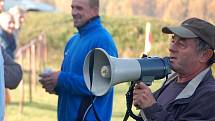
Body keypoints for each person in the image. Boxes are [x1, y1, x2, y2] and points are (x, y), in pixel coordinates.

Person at [39, 0, 118, 121]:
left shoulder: (103, 40)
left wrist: (61, 78)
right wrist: (55, 86)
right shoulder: (73, 41)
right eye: (72, 7)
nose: (74, 12)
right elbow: (72, 86)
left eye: (79, 8)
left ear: (95, 11)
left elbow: (100, 85)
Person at [133, 17, 215, 121]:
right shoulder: (172, 80)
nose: (171, 48)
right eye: (173, 40)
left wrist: (151, 108)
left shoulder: (210, 96)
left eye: (181, 44)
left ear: (205, 55)